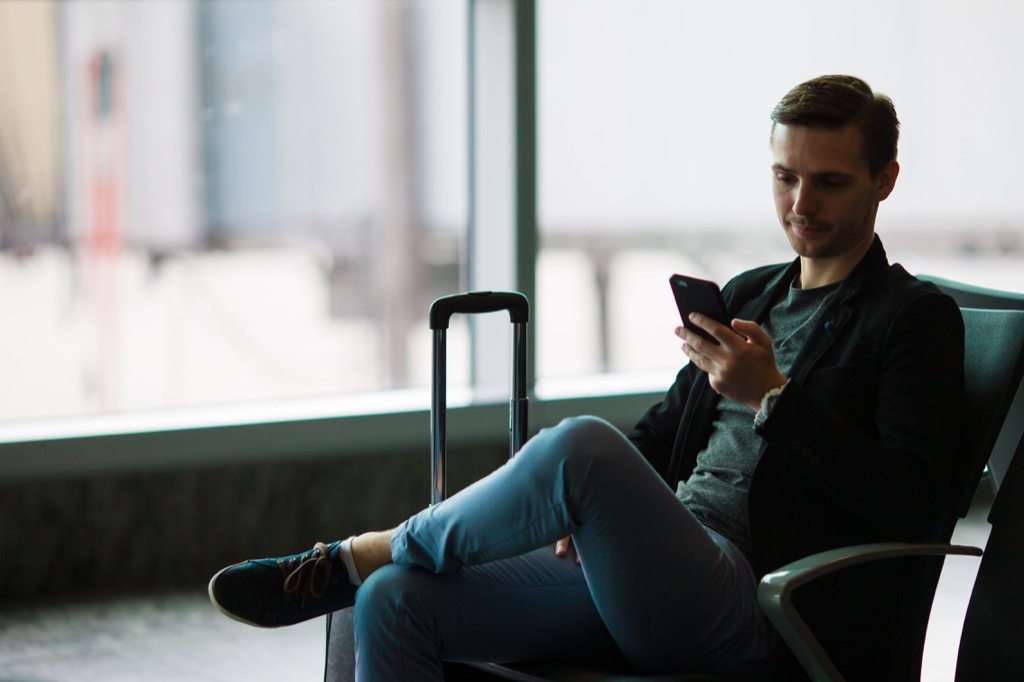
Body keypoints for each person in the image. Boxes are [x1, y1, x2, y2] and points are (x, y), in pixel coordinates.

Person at [209, 75, 965, 680]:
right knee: (393, 603)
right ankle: (373, 567)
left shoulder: (911, 317)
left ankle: (364, 549)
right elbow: (660, 436)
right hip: (655, 570)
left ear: (885, 179)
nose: (802, 205)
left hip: (759, 602)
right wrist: (597, 520)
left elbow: (908, 497)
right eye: (785, 176)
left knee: (580, 449)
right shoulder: (751, 294)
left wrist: (773, 396)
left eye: (829, 182)